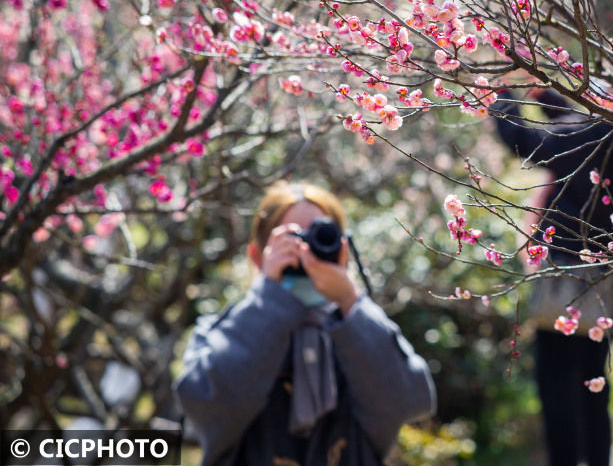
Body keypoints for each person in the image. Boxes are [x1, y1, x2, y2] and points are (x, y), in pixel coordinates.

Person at [174, 181, 436, 466]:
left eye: (319, 236)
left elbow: (409, 401)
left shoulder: (357, 335)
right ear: (257, 255)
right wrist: (269, 301)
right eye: (292, 240)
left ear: (342, 248)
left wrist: (350, 300)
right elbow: (208, 402)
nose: (305, 253)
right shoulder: (220, 332)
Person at [491, 88, 613, 466]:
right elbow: (573, 133)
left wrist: (502, 94)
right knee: (594, 382)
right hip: (612, 277)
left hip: (565, 276)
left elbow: (527, 141)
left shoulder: (593, 132)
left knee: (557, 387)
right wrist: (547, 97)